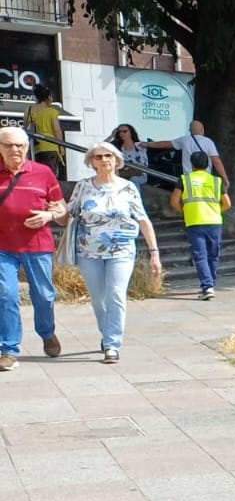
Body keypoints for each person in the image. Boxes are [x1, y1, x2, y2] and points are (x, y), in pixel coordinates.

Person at [69, 142, 163, 363]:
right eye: (99, 156)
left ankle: (112, 343)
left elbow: (143, 220)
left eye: (109, 155)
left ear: (116, 160)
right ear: (91, 162)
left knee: (116, 295)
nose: (104, 160)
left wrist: (154, 252)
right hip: (88, 251)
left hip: (121, 250)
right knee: (99, 299)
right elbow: (69, 212)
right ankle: (106, 332)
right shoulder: (83, 186)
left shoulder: (128, 187)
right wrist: (50, 213)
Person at [0, 125, 66, 371]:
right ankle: (8, 349)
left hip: (37, 245)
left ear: (27, 147)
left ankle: (47, 333)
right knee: (5, 295)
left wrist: (49, 217)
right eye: (9, 145)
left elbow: (62, 211)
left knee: (44, 295)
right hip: (2, 246)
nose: (15, 149)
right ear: (0, 148)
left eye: (20, 145)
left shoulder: (43, 172)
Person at [170, 151, 230, 300]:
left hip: (194, 222)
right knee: (213, 255)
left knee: (200, 255)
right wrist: (216, 211)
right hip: (214, 222)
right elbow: (227, 204)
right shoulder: (216, 181)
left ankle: (207, 286)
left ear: (192, 165)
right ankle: (211, 284)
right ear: (208, 164)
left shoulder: (184, 180)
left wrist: (185, 212)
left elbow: (174, 201)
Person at [142, 120, 230, 194]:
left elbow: (166, 144)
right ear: (202, 130)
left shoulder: (184, 140)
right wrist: (225, 178)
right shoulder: (208, 142)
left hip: (188, 180)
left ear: (190, 130)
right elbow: (216, 161)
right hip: (205, 180)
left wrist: (149, 144)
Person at [20, 85, 65, 180]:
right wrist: (61, 146)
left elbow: (26, 127)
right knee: (50, 174)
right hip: (51, 145)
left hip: (35, 147)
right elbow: (57, 130)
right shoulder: (52, 112)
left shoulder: (29, 110)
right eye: (51, 97)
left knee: (38, 174)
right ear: (48, 97)